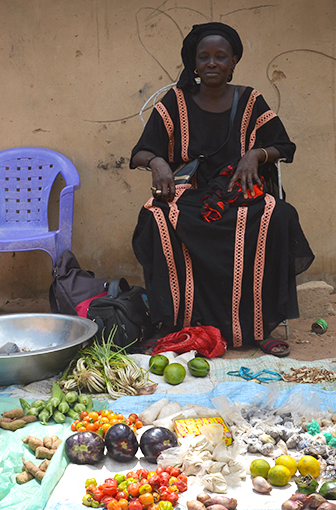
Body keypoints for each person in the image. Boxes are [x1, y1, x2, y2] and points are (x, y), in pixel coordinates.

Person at [130, 22, 314, 355]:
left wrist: (255, 155)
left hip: (240, 193)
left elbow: (284, 146)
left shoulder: (250, 99)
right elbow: (140, 151)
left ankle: (262, 327)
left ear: (233, 63)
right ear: (195, 63)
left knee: (279, 215)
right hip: (190, 195)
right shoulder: (175, 101)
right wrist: (157, 163)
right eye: (204, 57)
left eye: (220, 57)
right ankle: (175, 325)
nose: (212, 63)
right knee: (157, 216)